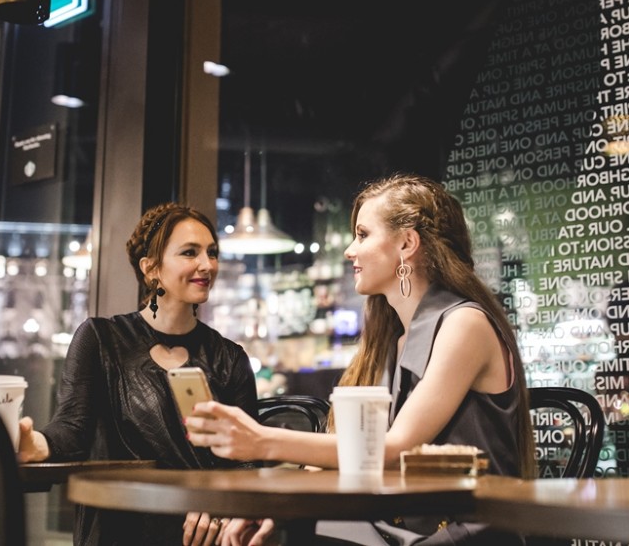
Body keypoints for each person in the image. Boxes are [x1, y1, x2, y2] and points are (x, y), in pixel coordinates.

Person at [187, 174, 536, 546]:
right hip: (401, 526)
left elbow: (391, 451)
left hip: (465, 531)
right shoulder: (392, 340)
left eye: (363, 235)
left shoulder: (464, 323)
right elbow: (357, 459)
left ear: (407, 243)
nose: (350, 250)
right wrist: (279, 506)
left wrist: (260, 441)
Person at [0, 202, 259, 546]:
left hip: (204, 535)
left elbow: (247, 462)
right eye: (189, 252)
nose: (207, 265)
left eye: (212, 253)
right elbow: (71, 432)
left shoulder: (229, 358)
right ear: (151, 269)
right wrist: (32, 443)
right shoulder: (101, 339)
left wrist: (221, 508)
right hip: (119, 529)